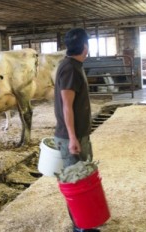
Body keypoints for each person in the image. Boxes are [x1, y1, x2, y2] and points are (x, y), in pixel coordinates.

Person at [53, 28, 100, 232]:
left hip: (78, 135)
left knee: (84, 180)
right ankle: (80, 227)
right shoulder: (70, 68)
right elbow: (66, 105)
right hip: (71, 137)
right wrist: (72, 138)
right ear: (85, 47)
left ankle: (85, 223)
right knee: (76, 182)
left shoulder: (73, 65)